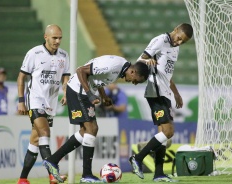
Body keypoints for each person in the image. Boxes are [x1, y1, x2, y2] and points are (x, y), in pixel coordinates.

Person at [43, 55, 150, 183]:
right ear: (133, 72)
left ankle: (52, 161)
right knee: (92, 128)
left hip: (82, 91)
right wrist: (89, 94)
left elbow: (98, 79)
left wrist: (104, 96)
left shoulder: (120, 69)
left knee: (85, 131)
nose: (134, 83)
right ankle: (86, 175)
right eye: (136, 80)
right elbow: (81, 71)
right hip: (79, 91)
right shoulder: (114, 66)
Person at [129, 23, 193, 182]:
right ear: (176, 30)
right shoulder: (160, 40)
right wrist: (148, 60)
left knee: (163, 134)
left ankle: (158, 174)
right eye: (179, 38)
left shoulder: (175, 49)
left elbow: (167, 74)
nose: (179, 43)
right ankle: (138, 158)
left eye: (182, 42)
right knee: (169, 132)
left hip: (165, 92)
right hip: (154, 90)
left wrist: (176, 93)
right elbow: (139, 61)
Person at [16, 24, 70, 184]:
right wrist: (21, 101)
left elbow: (65, 77)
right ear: (46, 37)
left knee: (35, 141)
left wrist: (66, 92)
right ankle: (53, 174)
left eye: (60, 38)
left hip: (51, 103)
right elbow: (21, 78)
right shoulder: (34, 53)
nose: (58, 41)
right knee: (45, 134)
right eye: (54, 37)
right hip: (35, 100)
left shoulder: (64, 56)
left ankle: (22, 179)